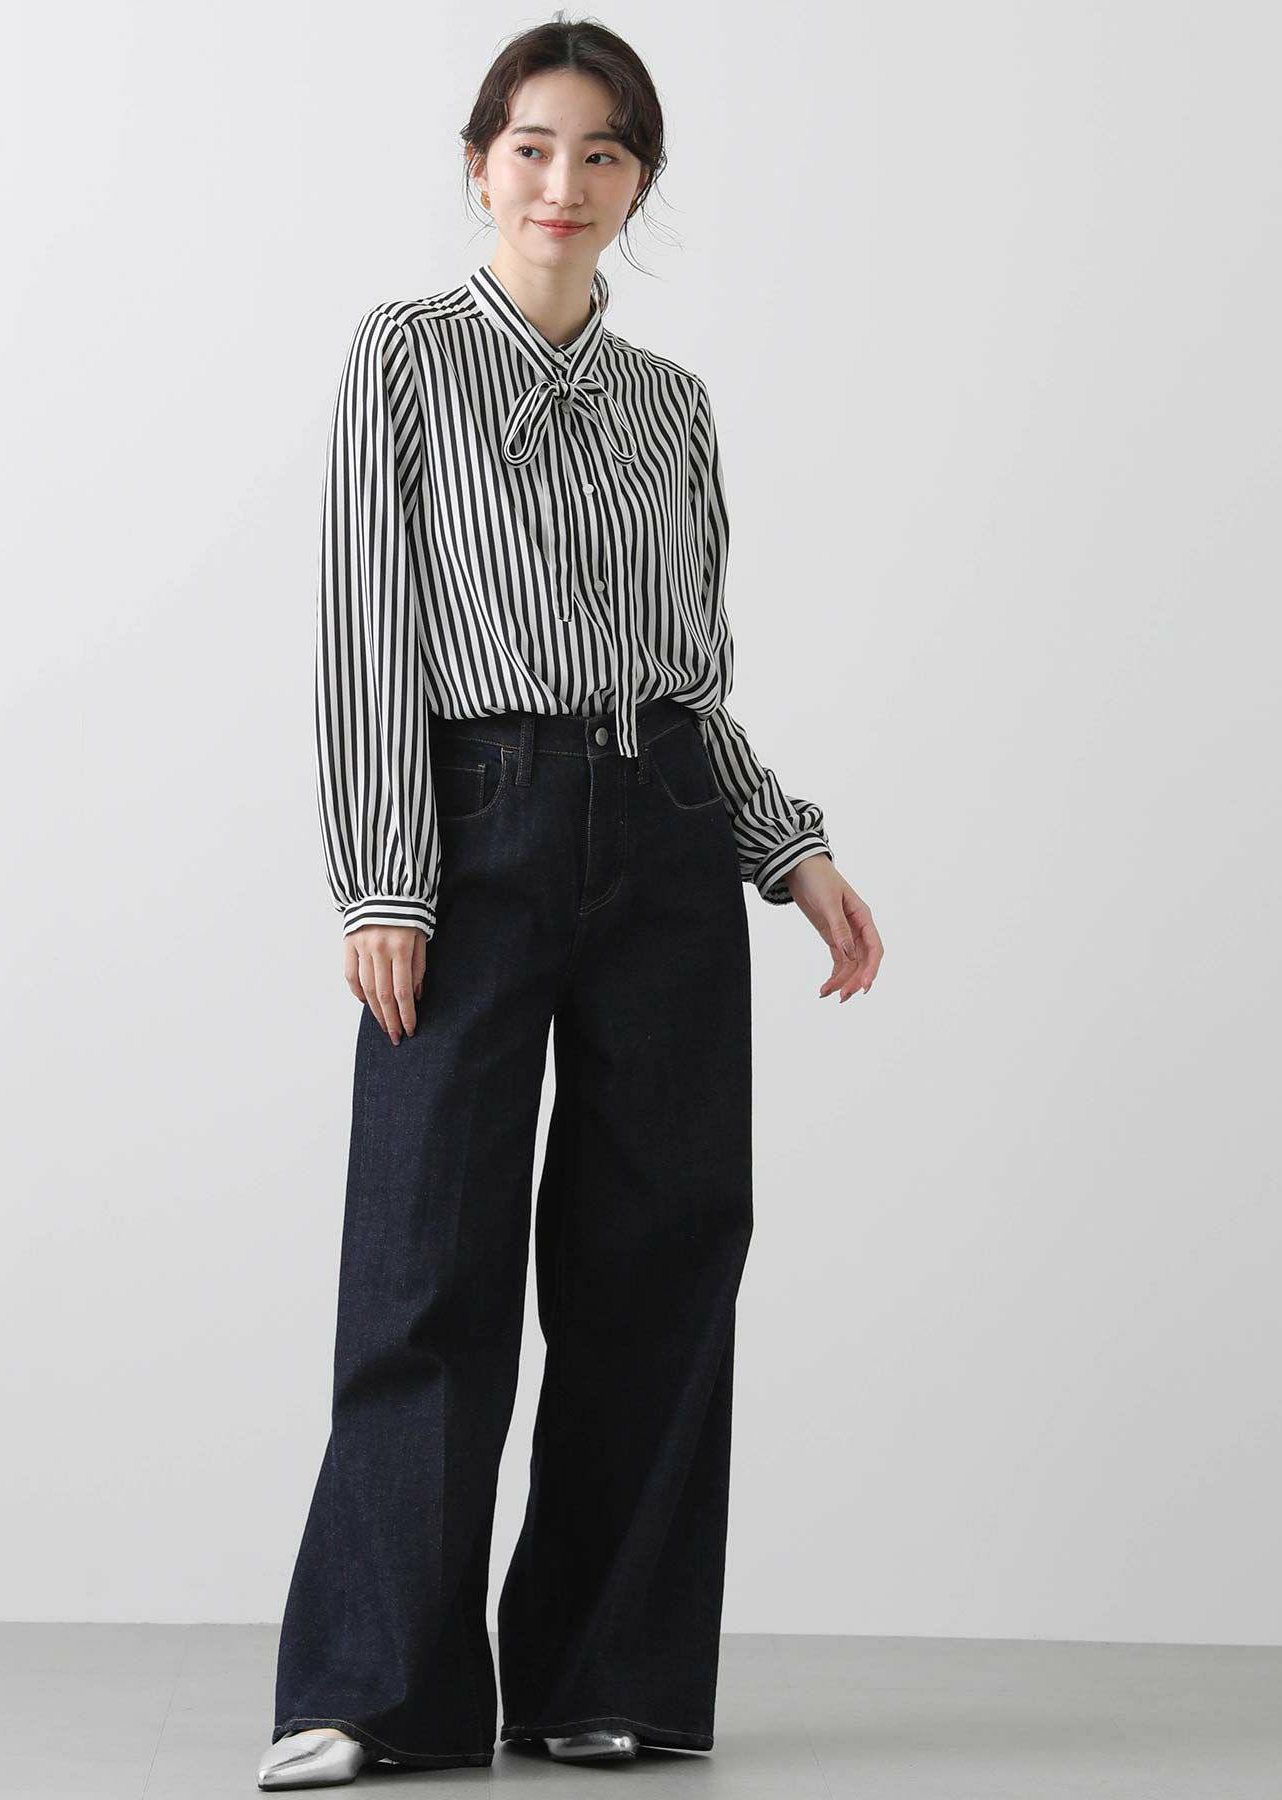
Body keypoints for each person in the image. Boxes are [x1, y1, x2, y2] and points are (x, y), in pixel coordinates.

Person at [259, 15, 884, 1792]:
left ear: (637, 184)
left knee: (659, 1257)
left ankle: (606, 1680)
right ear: (481, 166)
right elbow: (366, 634)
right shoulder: (404, 357)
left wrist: (787, 846)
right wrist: (387, 878)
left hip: (667, 833)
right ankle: (379, 1690)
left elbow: (694, 677)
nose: (565, 181)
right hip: (476, 830)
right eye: (534, 146)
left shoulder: (672, 407)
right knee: (424, 1259)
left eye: (603, 153)